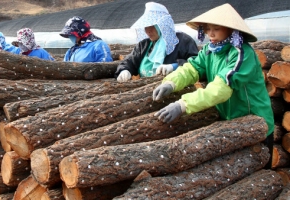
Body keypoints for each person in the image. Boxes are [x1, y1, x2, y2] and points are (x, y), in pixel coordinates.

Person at [152, 4, 274, 167]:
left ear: (231, 30)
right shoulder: (210, 51)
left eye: (216, 28)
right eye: (208, 29)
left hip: (255, 122)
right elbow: (192, 68)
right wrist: (170, 83)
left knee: (260, 175)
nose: (211, 34)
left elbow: (220, 89)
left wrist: (183, 104)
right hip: (231, 123)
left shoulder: (241, 54)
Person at [114, 2, 199, 82]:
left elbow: (197, 63)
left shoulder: (182, 41)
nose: (148, 31)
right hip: (144, 91)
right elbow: (129, 61)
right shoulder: (144, 45)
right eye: (146, 27)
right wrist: (125, 70)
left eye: (152, 26)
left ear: (162, 25)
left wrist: (175, 66)